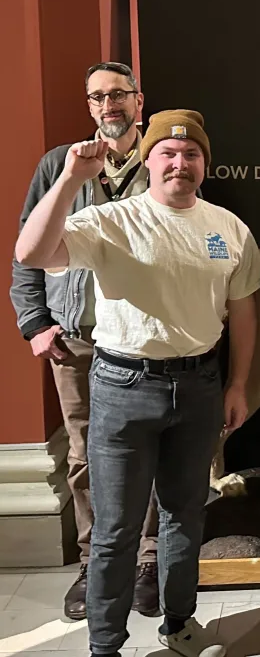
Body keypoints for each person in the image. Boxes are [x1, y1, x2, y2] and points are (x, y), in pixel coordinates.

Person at [15, 109, 260, 657]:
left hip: (199, 386)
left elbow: (244, 312)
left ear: (204, 163)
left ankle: (179, 623)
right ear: (149, 161)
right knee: (116, 529)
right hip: (123, 388)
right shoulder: (113, 219)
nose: (180, 162)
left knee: (184, 518)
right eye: (167, 153)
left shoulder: (228, 228)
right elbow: (30, 252)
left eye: (191, 153)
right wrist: (71, 179)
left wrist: (238, 384)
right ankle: (105, 644)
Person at [9, 61, 159, 620]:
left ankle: (147, 561)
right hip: (76, 341)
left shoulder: (164, 159)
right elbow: (28, 244)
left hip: (145, 339)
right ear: (89, 106)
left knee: (148, 450)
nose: (108, 105)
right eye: (97, 96)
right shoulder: (61, 164)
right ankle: (95, 562)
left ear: (138, 101)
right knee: (84, 456)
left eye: (118, 94)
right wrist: (34, 322)